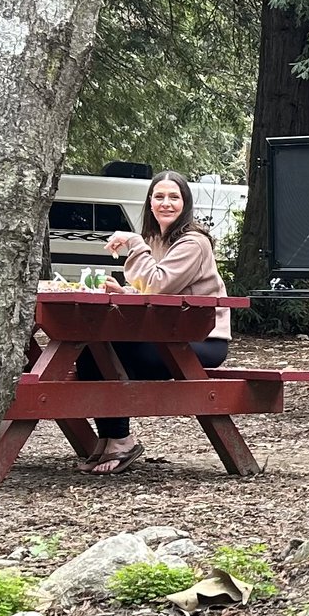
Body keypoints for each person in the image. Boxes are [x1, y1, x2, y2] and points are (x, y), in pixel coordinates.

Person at [76, 171, 231, 473]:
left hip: (201, 341)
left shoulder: (194, 243)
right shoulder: (155, 240)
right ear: (150, 203)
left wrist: (134, 242)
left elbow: (158, 284)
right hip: (167, 335)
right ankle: (110, 438)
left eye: (174, 197)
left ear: (185, 203)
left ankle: (120, 439)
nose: (166, 203)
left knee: (114, 350)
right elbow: (154, 292)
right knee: (90, 349)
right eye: (159, 197)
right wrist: (125, 292)